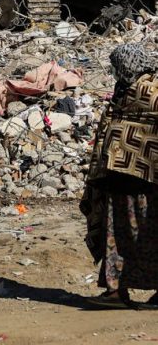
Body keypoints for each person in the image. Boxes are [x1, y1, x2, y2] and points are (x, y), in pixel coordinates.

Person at [81, 43, 158, 307]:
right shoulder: (128, 90)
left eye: (116, 66)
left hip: (136, 174)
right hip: (130, 174)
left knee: (121, 234)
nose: (114, 72)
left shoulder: (144, 91)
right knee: (144, 233)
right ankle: (117, 290)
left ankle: (116, 291)